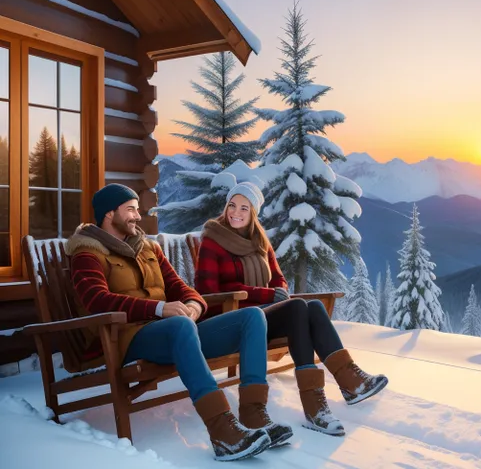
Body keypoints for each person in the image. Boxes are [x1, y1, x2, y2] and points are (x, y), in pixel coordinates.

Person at [66, 183, 292, 461]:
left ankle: (254, 414)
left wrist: (195, 306)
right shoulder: (87, 253)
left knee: (252, 317)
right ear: (109, 214)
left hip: (176, 332)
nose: (137, 216)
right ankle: (222, 430)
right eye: (130, 210)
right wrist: (160, 309)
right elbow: (97, 300)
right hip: (126, 339)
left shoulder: (147, 248)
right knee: (180, 326)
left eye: (138, 209)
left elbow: (181, 288)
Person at [195, 182, 389, 436]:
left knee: (314, 308)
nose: (236, 212)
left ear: (253, 213)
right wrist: (265, 294)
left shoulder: (258, 241)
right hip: (231, 321)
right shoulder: (213, 240)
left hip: (263, 315)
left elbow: (278, 278)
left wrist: (279, 291)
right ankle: (317, 407)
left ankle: (347, 381)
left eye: (244, 207)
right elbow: (209, 292)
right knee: (298, 307)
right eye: (232, 205)